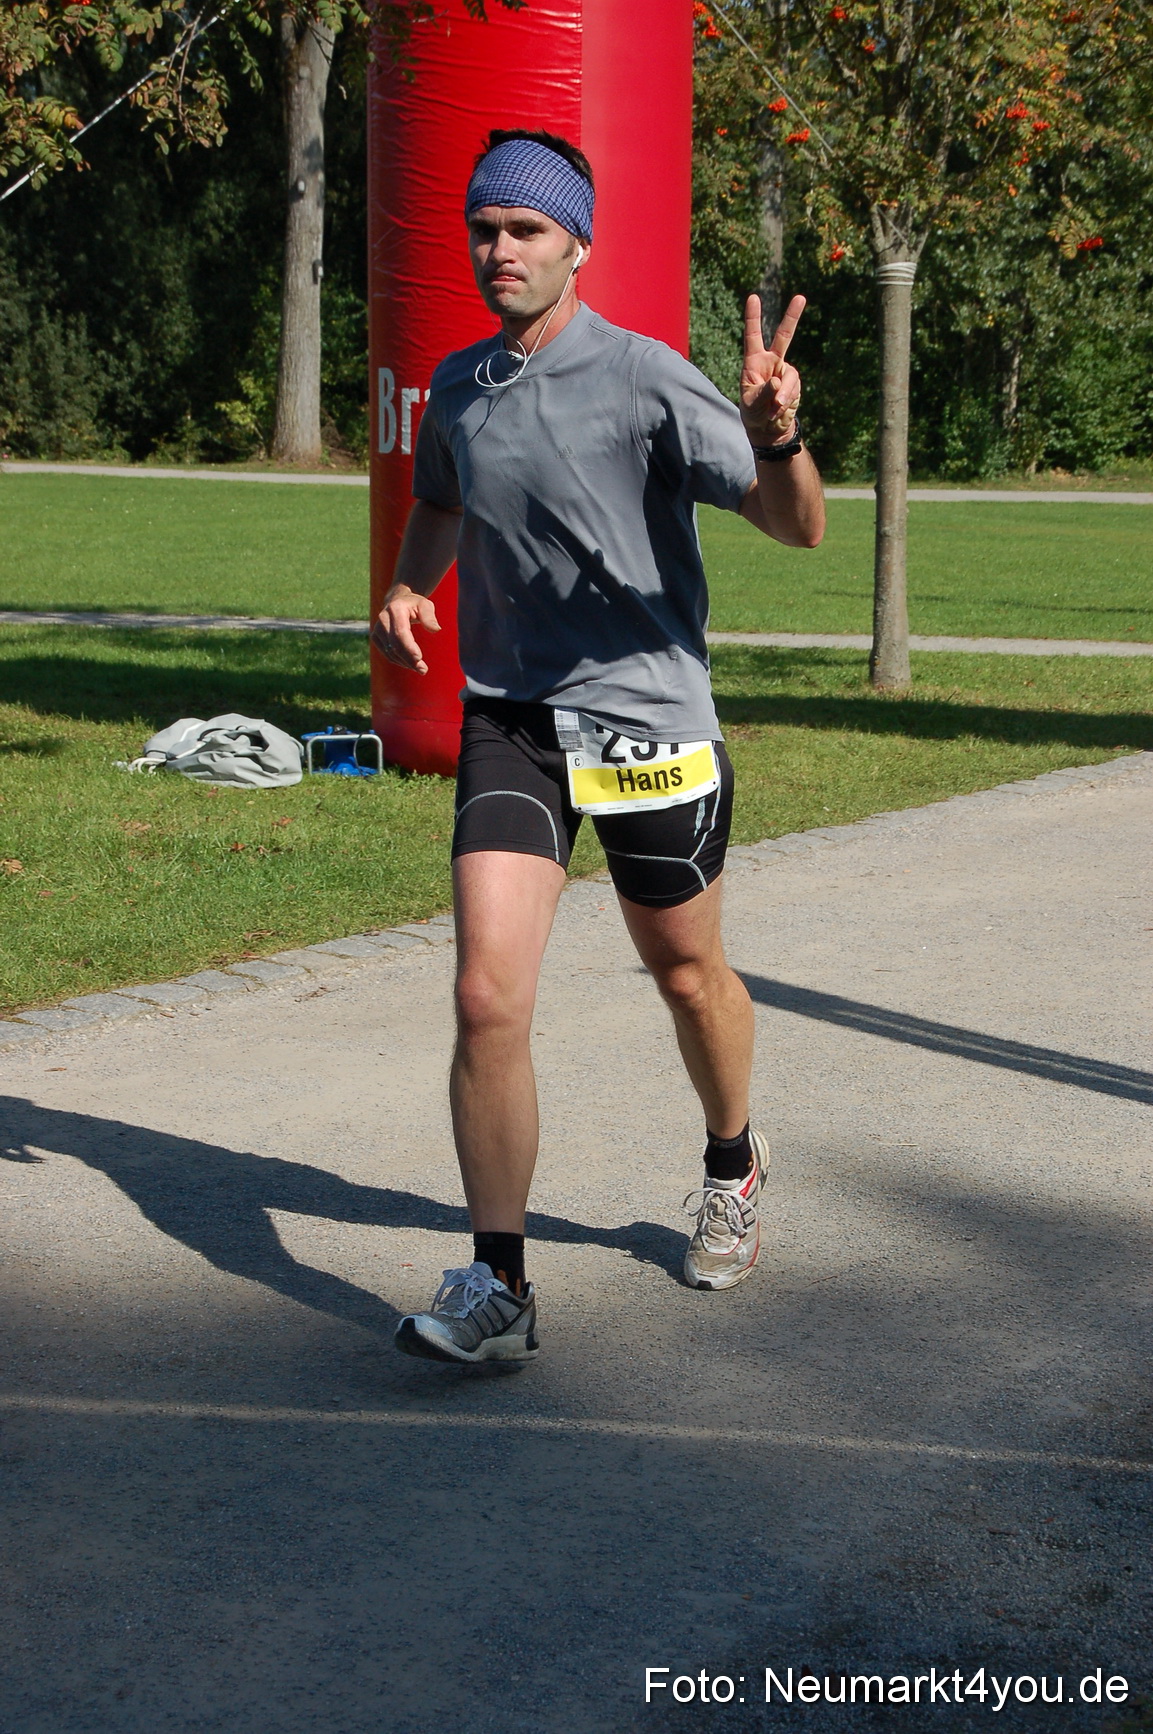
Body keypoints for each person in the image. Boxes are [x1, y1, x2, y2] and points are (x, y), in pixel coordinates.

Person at [373, 129, 825, 1365]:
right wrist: (414, 585)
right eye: (482, 228)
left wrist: (776, 431)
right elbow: (443, 498)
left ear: (578, 242)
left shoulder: (646, 377)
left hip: (645, 719)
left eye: (523, 230)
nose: (497, 250)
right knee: (483, 996)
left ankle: (731, 1161)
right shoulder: (460, 386)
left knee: (686, 975)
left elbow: (800, 530)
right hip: (511, 716)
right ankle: (499, 1280)